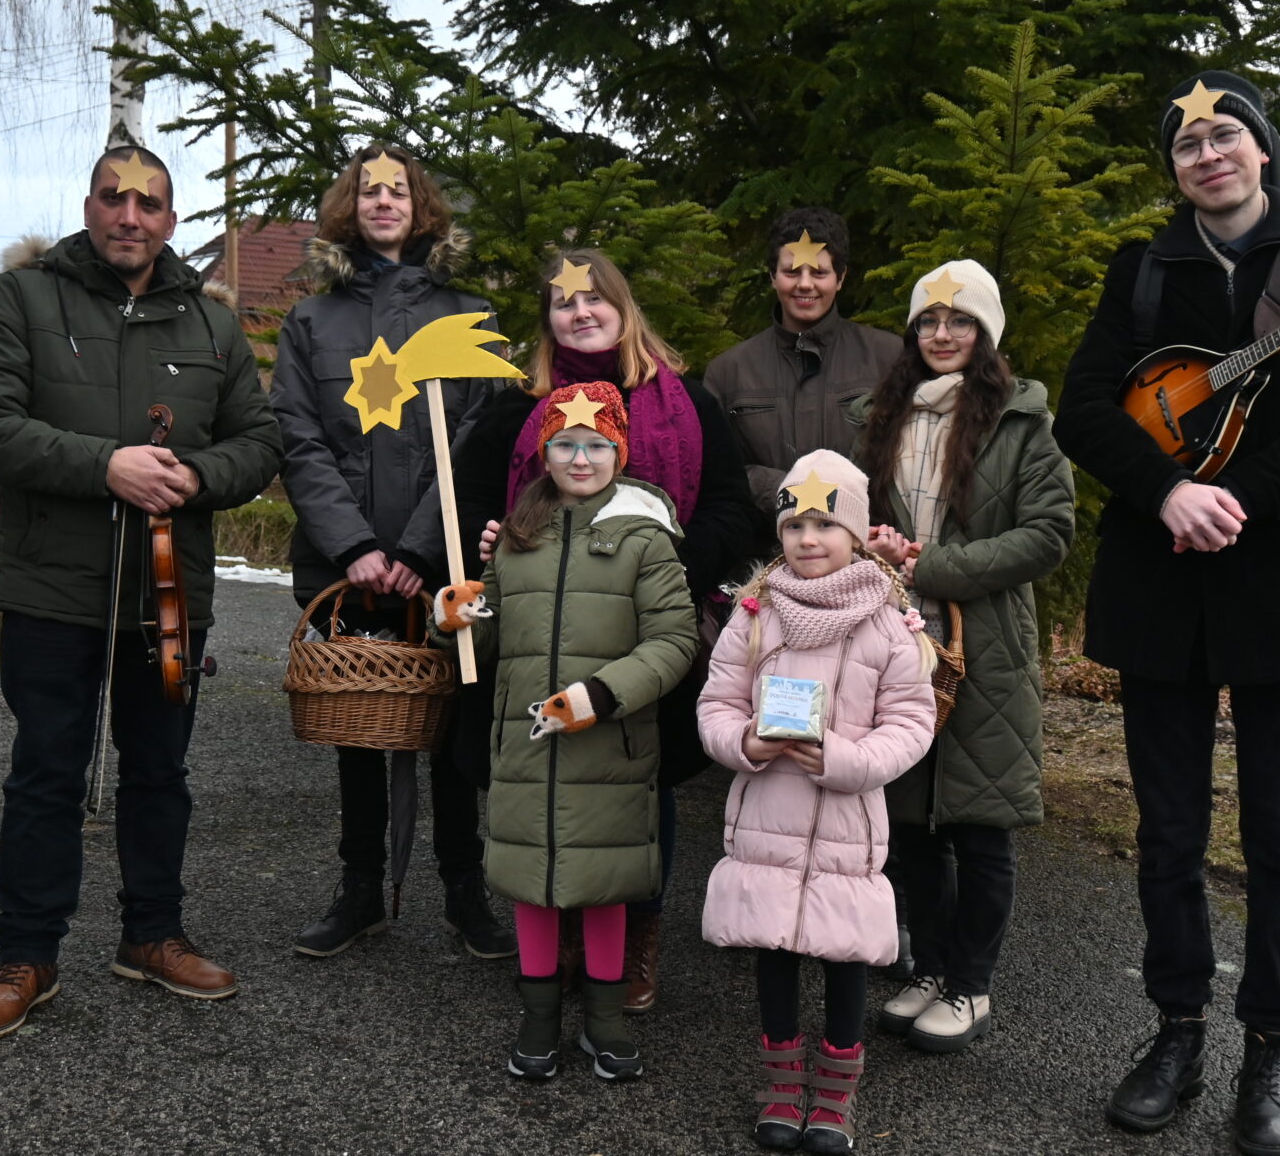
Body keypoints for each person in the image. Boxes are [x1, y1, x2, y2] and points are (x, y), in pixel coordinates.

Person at [1053, 71, 1280, 1155]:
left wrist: (1238, 495)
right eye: (1187, 142)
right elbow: (1083, 410)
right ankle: (1176, 1033)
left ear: (1261, 149)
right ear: (1174, 168)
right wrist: (1165, 489)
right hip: (1159, 590)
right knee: (1167, 835)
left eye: (1224, 135)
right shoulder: (1142, 272)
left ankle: (1269, 1049)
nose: (1207, 153)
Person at [0, 145, 282, 1039]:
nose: (129, 216)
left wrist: (195, 476)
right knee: (46, 772)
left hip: (169, 594)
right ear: (89, 205)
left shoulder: (212, 325)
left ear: (171, 219)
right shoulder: (24, 299)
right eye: (112, 197)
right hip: (52, 587)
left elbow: (259, 442)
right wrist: (106, 465)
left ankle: (153, 935)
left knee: (161, 771)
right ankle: (27, 954)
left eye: (149, 203)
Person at [453, 248, 751, 1010]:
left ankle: (635, 932)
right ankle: (555, 937)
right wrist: (485, 547)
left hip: (649, 631)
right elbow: (472, 502)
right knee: (547, 781)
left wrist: (670, 571)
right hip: (537, 632)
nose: (580, 312)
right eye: (563, 301)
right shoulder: (513, 410)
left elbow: (729, 505)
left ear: (623, 307)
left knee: (639, 783)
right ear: (547, 318)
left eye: (595, 299)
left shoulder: (687, 404)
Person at [269, 144, 515, 962]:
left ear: (421, 206)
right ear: (351, 205)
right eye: (369, 190)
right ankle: (361, 889)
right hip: (348, 566)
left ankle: (464, 887)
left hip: (439, 562)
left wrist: (419, 547)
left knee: (451, 723)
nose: (383, 202)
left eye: (398, 191)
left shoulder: (467, 314)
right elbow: (298, 436)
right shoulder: (312, 322)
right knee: (360, 723)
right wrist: (355, 546)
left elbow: (479, 439)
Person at [435, 380, 698, 1081]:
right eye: (565, 444)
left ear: (620, 451)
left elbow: (674, 640)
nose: (580, 459)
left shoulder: (646, 538)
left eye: (596, 445)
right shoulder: (516, 537)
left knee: (605, 884)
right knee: (533, 881)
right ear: (544, 452)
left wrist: (602, 695)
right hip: (526, 747)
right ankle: (539, 1015)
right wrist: (456, 618)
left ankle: (605, 1018)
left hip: (609, 747)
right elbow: (485, 643)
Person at [853, 260, 1074, 1053]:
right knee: (910, 821)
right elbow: (852, 518)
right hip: (896, 639)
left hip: (987, 646)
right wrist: (874, 545)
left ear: (986, 333)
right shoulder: (879, 418)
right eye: (928, 321)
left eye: (960, 321)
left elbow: (1048, 533)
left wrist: (936, 565)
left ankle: (970, 986)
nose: (942, 334)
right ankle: (930, 966)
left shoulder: (1022, 422)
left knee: (980, 826)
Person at [697, 450, 936, 1154]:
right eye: (794, 524)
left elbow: (911, 723)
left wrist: (847, 760)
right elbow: (716, 702)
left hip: (845, 826)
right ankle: (781, 1086)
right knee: (773, 951)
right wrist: (744, 741)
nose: (808, 539)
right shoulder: (755, 614)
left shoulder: (888, 623)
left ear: (856, 534)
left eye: (826, 525)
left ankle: (833, 1097)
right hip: (767, 820)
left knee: (845, 957)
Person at [703, 206, 903, 561]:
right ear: (772, 276)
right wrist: (789, 490)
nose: (805, 284)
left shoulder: (889, 358)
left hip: (868, 558)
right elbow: (718, 473)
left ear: (840, 277)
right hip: (765, 562)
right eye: (791, 271)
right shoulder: (728, 372)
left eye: (820, 272)